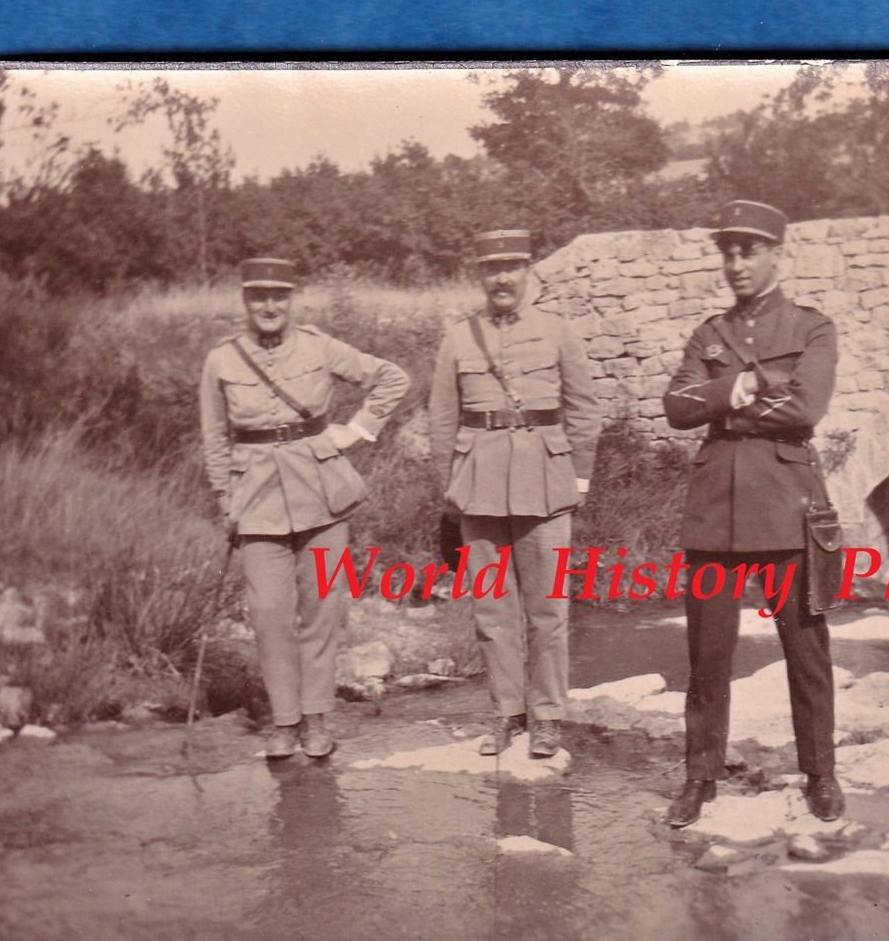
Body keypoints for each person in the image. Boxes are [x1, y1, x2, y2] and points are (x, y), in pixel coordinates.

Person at [660, 200, 845, 827]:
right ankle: (699, 776)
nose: (736, 263)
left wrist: (725, 404)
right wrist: (734, 391)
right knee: (708, 656)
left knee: (806, 649)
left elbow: (807, 409)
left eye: (749, 251)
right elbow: (676, 406)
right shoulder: (707, 334)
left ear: (775, 256)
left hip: (786, 509)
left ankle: (820, 772)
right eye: (728, 252)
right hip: (715, 514)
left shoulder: (811, 328)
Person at [199, 258, 410, 759]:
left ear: (292, 299)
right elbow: (214, 439)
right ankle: (284, 722)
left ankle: (316, 719)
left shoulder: (318, 346)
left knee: (323, 607)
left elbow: (391, 379)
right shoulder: (221, 361)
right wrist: (226, 500)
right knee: (269, 613)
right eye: (259, 297)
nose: (270, 306)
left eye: (280, 296)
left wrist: (356, 430)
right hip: (257, 503)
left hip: (324, 499)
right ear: (245, 301)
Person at [429, 230, 602, 760]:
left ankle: (548, 717)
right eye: (491, 268)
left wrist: (578, 481)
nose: (502, 277)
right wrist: (451, 490)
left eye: (512, 266)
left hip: (546, 486)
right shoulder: (459, 337)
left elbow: (584, 409)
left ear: (528, 272)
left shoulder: (557, 331)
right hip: (477, 490)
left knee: (547, 609)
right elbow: (441, 419)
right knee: (491, 610)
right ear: (479, 275)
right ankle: (508, 714)